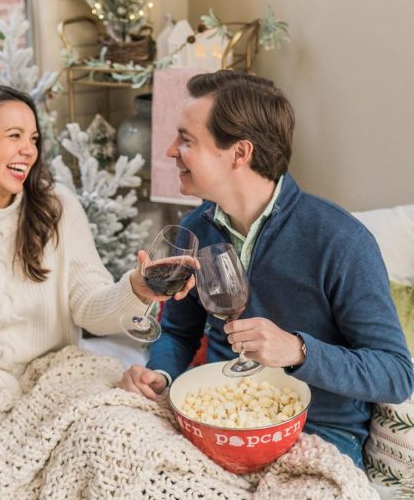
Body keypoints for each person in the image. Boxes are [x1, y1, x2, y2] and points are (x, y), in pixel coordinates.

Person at [120, 70, 414, 467]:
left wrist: (298, 350)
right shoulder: (195, 230)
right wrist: (161, 374)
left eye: (186, 139)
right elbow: (177, 331)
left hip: (319, 433)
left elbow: (396, 375)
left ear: (240, 153)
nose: (171, 150)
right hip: (215, 418)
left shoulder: (340, 239)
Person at [0, 82, 192, 411]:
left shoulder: (57, 209)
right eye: (14, 136)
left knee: (130, 431)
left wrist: (136, 289)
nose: (29, 150)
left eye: (33, 139)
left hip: (56, 378)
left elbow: (89, 308)